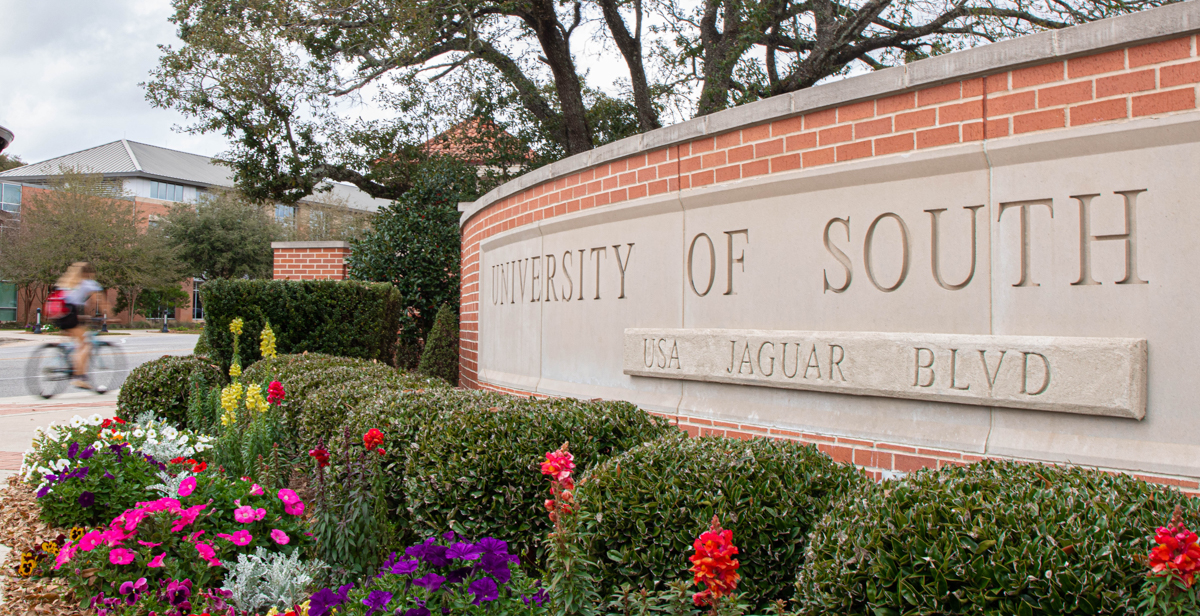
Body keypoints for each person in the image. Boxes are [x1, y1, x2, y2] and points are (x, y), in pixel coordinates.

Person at [52, 262, 107, 390]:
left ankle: (63, 360)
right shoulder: (88, 283)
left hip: (58, 313)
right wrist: (111, 317)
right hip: (70, 313)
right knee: (85, 344)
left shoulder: (65, 282)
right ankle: (80, 377)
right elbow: (103, 304)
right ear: (88, 273)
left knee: (75, 341)